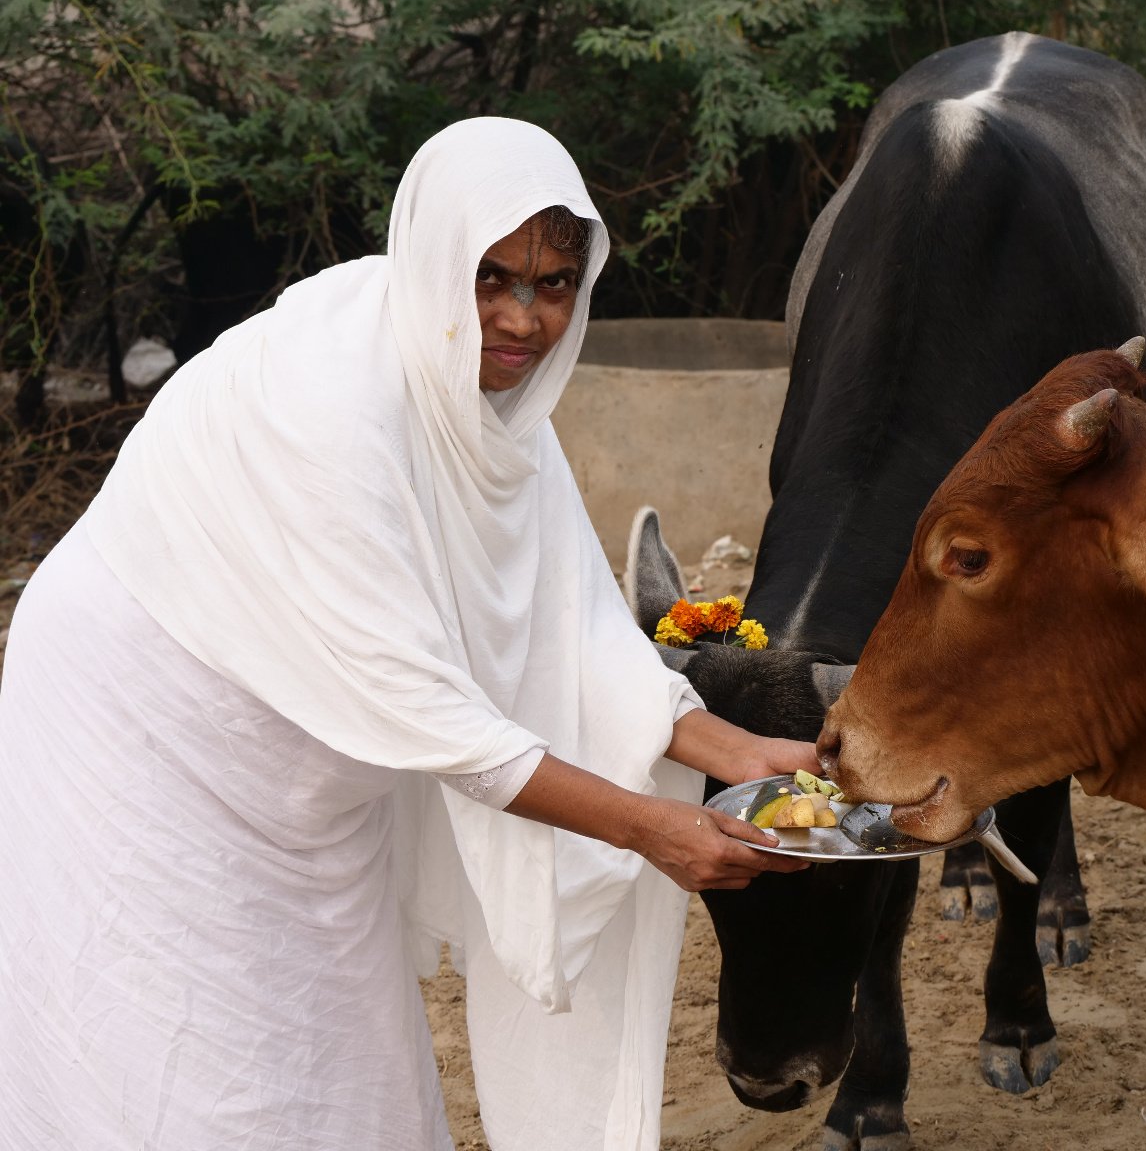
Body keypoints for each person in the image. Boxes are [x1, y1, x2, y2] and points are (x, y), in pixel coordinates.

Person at [0, 117, 817, 1150]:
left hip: (310, 759)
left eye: (555, 284)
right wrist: (648, 828)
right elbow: (435, 718)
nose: (522, 319)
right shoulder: (332, 404)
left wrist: (738, 751)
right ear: (434, 259)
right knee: (183, 1044)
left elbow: (575, 634)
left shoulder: (492, 408)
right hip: (139, 724)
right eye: (491, 277)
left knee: (339, 1034)